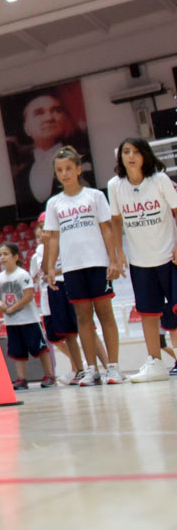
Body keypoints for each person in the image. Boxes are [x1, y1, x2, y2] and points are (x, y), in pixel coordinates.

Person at [41, 146, 123, 386]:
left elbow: (107, 229)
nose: (64, 173)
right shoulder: (54, 203)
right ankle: (91, 369)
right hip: (72, 268)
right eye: (59, 170)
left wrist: (114, 259)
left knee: (105, 314)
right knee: (83, 318)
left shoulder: (95, 196)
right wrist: (49, 269)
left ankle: (113, 367)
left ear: (78, 169)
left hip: (97, 264)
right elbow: (53, 237)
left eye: (68, 168)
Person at [107, 137, 177, 383]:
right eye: (126, 151)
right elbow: (115, 220)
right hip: (140, 261)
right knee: (148, 313)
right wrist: (118, 253)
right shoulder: (115, 185)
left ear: (145, 155)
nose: (131, 156)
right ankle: (155, 363)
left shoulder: (159, 180)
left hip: (169, 256)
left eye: (136, 151)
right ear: (121, 157)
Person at [7, 91, 95, 211]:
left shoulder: (84, 161)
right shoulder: (20, 178)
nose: (49, 118)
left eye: (56, 111)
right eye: (39, 113)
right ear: (26, 128)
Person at [32, 216, 88, 383]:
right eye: (37, 234)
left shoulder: (60, 244)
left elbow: (50, 271)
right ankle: (76, 366)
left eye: (42, 230)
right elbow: (37, 275)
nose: (40, 236)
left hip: (62, 289)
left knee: (74, 331)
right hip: (47, 298)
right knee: (56, 337)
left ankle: (79, 366)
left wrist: (50, 272)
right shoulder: (37, 255)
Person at [0, 242, 54, 389]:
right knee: (17, 351)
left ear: (15, 256)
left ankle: (49, 374)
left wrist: (12, 308)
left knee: (40, 348)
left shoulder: (23, 275)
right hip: (12, 322)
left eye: (5, 254)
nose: (2, 257)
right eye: (0, 255)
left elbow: (29, 296)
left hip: (29, 320)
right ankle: (21, 379)